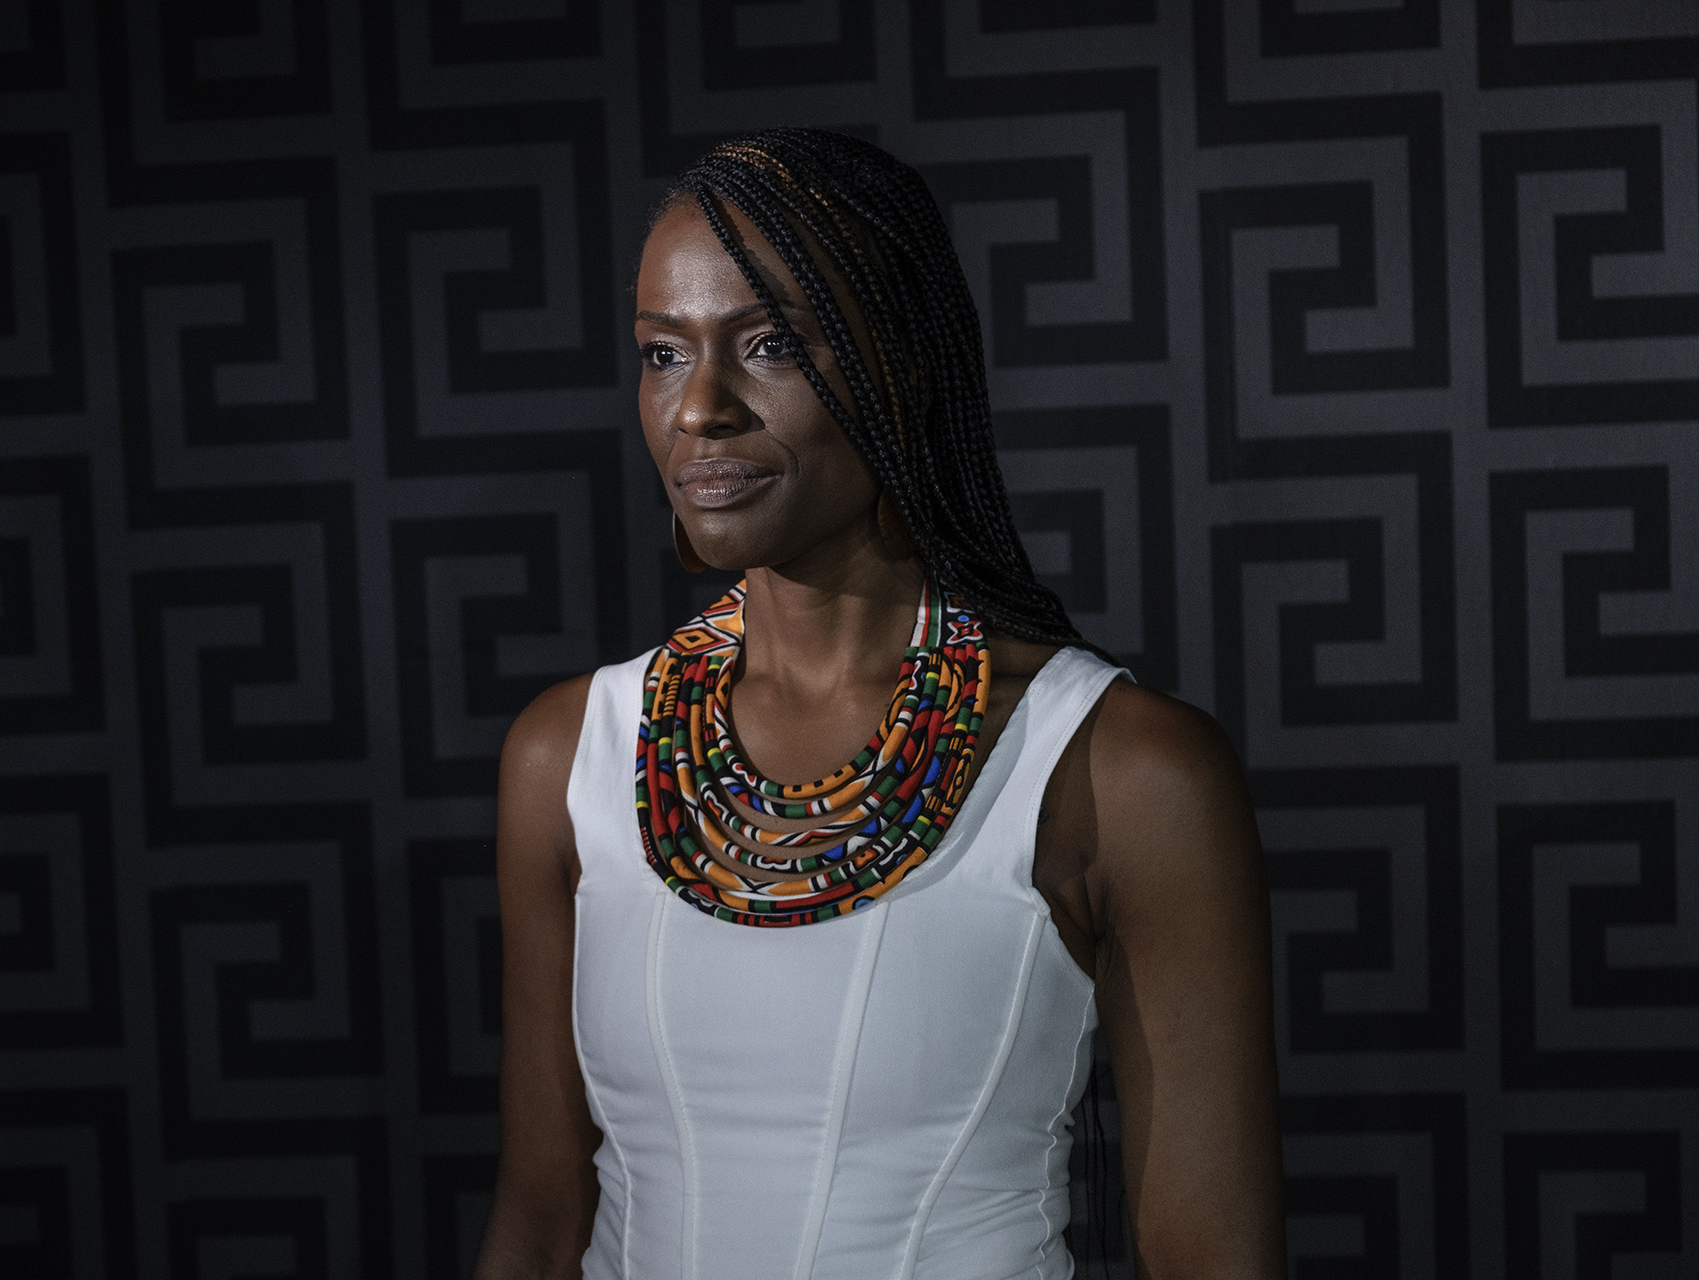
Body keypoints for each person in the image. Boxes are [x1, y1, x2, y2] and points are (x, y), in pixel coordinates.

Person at [474, 128, 1284, 1280]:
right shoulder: (569, 753)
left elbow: (1214, 1259)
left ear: (897, 363)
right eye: (662, 354)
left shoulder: (1124, 770)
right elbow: (541, 1214)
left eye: (768, 345)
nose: (700, 407)